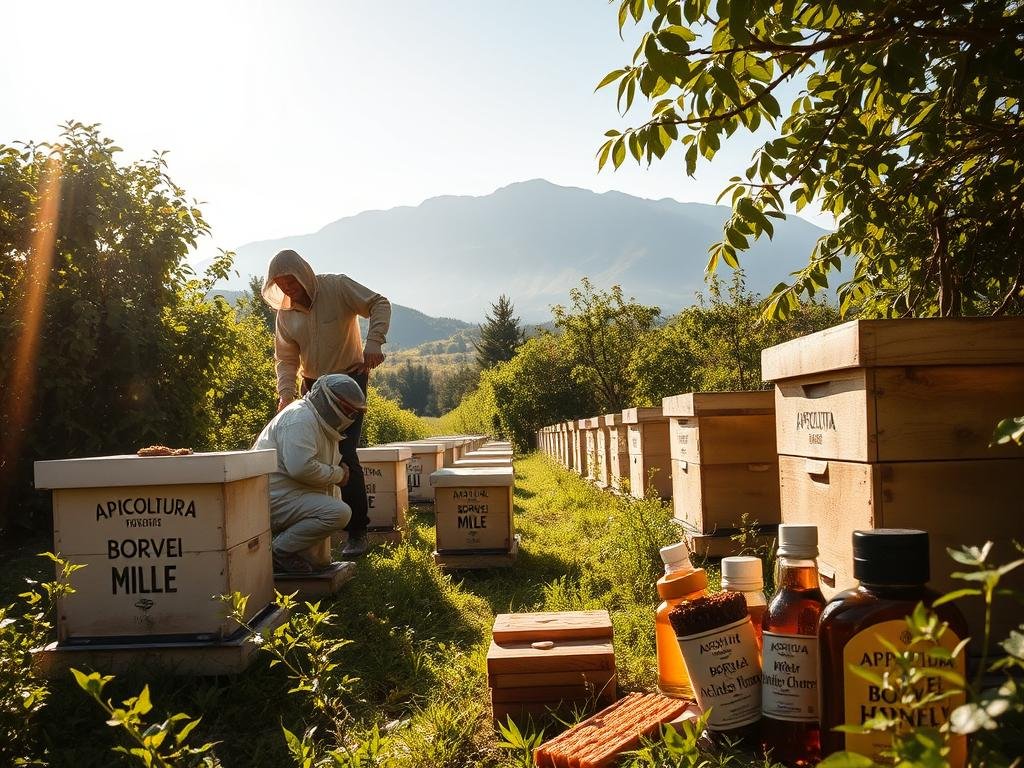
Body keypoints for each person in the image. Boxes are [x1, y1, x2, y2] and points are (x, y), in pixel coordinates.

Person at [261, 249, 391, 558]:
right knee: (313, 454)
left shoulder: (337, 287)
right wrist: (286, 393)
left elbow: (379, 303)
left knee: (345, 454)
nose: (287, 289)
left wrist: (374, 343)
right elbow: (286, 358)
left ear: (303, 273)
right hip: (313, 388)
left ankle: (357, 532)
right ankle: (318, 524)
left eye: (290, 281)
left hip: (348, 383)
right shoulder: (285, 313)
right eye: (280, 283)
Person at [253, 374, 368, 574]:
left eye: (354, 412)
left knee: (333, 497)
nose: (351, 417)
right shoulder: (300, 419)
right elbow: (301, 467)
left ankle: (309, 560)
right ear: (329, 402)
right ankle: (277, 551)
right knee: (338, 512)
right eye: (348, 410)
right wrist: (339, 474)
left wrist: (335, 473)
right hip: (273, 499)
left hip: (289, 495)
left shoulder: (317, 420)